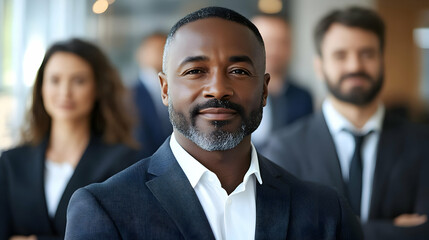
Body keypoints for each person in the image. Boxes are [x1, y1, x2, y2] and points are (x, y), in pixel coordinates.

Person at [65, 7, 363, 240]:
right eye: (196, 70)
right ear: (165, 89)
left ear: (264, 90)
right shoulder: (105, 208)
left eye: (239, 71)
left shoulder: (324, 211)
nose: (218, 88)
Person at [262, 7, 429, 240]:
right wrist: (391, 230)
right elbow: (284, 233)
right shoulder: (284, 149)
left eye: (367, 54)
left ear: (383, 60)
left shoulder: (422, 144)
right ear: (319, 66)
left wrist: (326, 228)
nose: (355, 66)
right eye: (340, 55)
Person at [0, 39, 141, 240]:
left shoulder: (125, 162)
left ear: (98, 89)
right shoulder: (11, 162)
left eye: (79, 81)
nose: (65, 92)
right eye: (55, 80)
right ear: (41, 88)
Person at [251, 15, 313, 150]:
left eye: (281, 42)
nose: (274, 50)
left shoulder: (303, 97)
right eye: (267, 42)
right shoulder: (233, 93)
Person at [132, 32, 172, 157]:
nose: (160, 54)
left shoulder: (182, 91)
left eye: (164, 49)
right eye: (155, 49)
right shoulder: (127, 95)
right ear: (140, 54)